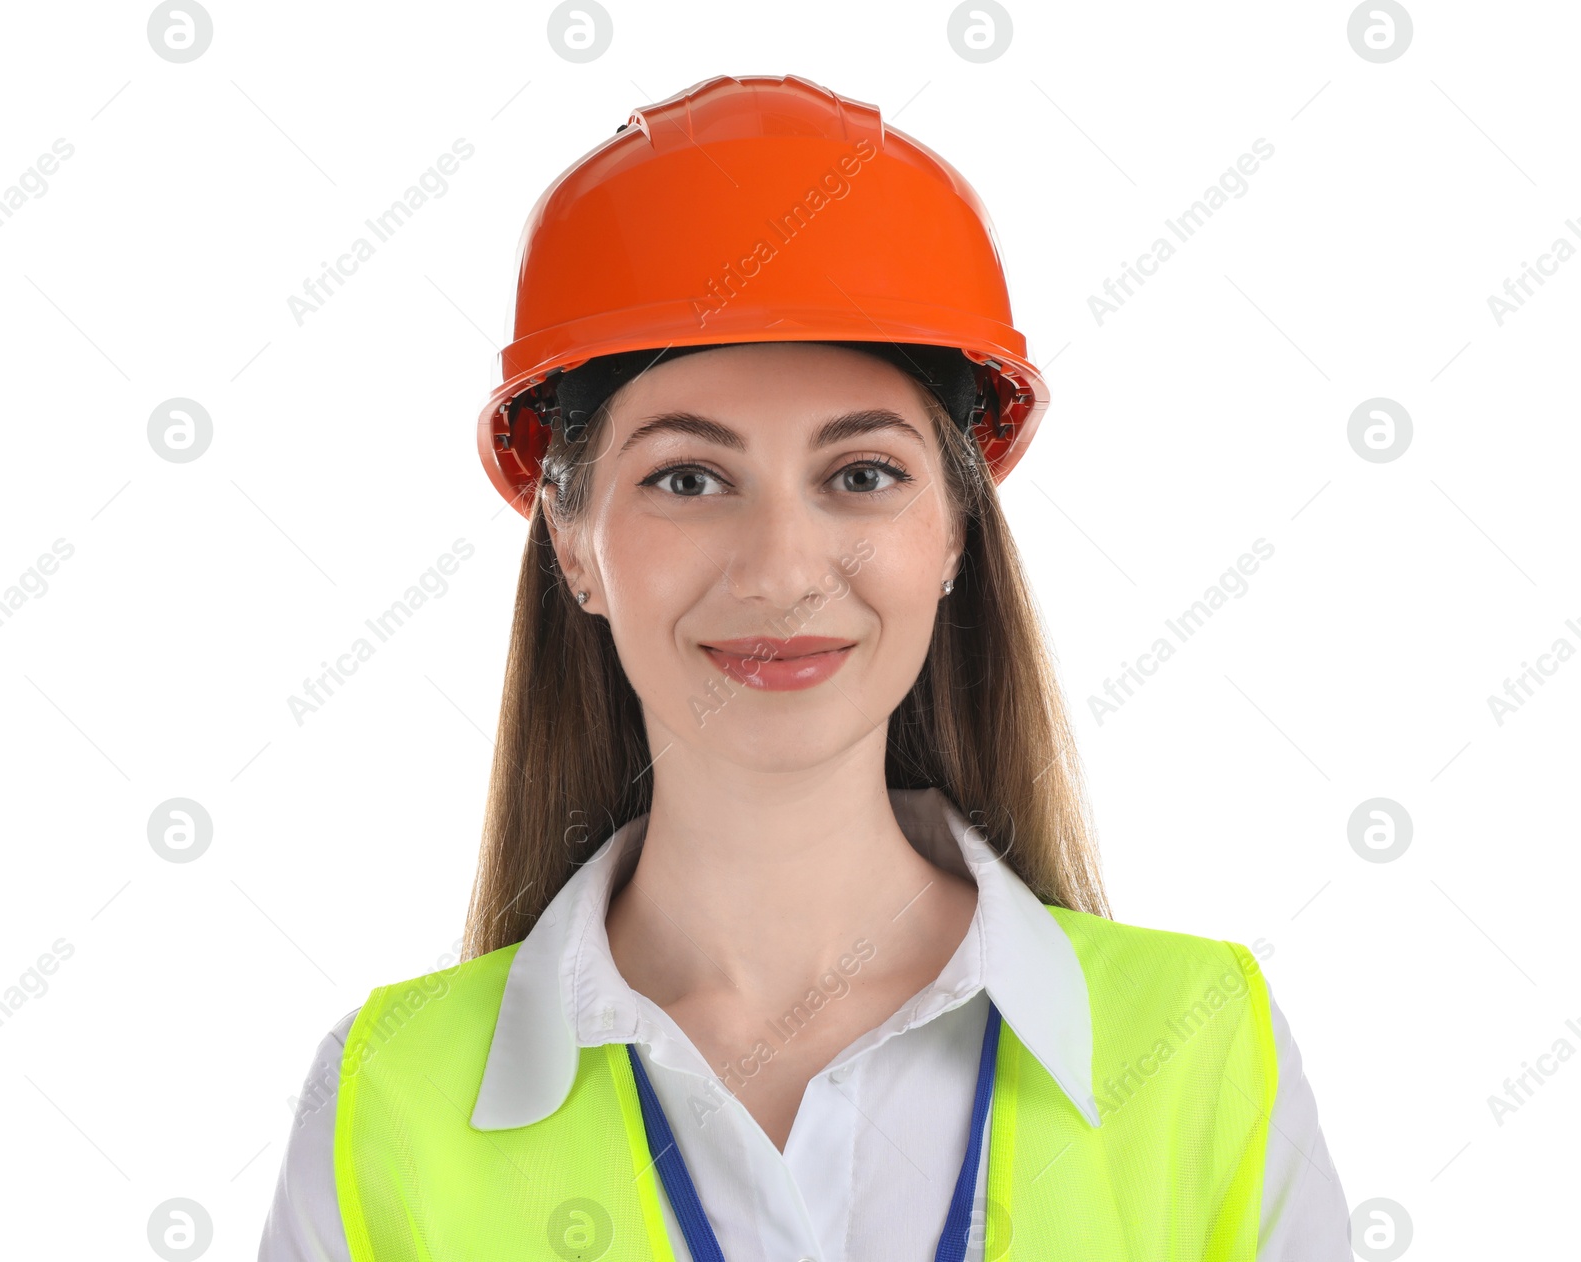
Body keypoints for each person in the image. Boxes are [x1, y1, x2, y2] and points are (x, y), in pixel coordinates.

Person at [258, 75, 1351, 1261]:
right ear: (572, 541)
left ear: (953, 532)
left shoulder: (1202, 1049)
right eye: (687, 477)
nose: (782, 570)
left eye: (862, 474)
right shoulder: (388, 1106)